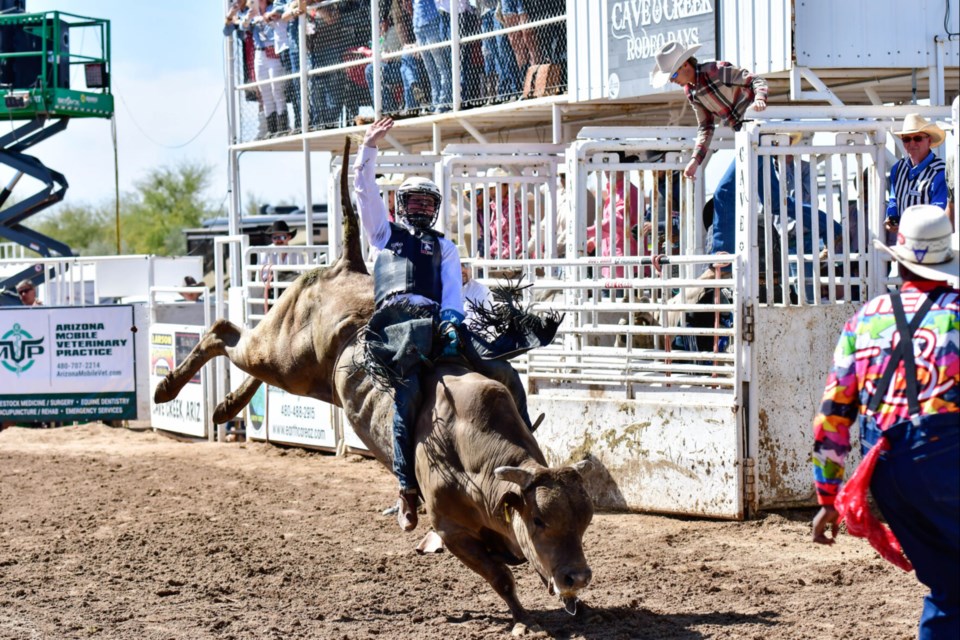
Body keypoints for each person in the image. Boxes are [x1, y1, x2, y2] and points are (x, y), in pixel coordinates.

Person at [811, 204, 958, 639]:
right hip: (946, 461)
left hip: (887, 471)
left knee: (949, 585)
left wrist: (827, 496)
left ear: (898, 258)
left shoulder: (866, 318)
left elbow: (834, 413)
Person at [354, 116, 464, 532]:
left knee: (494, 367)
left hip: (435, 321)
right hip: (396, 326)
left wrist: (453, 322)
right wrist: (369, 148)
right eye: (413, 203)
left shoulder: (445, 246)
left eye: (426, 204)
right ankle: (406, 489)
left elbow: (452, 291)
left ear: (435, 210)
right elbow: (365, 193)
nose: (419, 210)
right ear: (401, 208)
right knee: (408, 396)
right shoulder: (384, 235)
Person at [651, 41, 767, 273]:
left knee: (724, 191)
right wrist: (695, 160)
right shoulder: (691, 92)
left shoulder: (714, 70)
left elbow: (755, 80)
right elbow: (705, 126)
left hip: (757, 135)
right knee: (776, 200)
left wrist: (760, 99)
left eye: (673, 74)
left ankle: (720, 259)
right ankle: (832, 231)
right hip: (748, 137)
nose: (672, 80)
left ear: (685, 65)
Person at [885, 114, 948, 233]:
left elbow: (939, 213)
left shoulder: (940, 173)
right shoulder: (897, 169)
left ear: (929, 140)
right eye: (907, 139)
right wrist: (892, 217)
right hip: (905, 243)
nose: (912, 143)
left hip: (930, 245)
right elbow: (893, 200)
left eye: (917, 138)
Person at [457, 244, 493, 325]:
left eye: (465, 264)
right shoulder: (442, 291)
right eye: (456, 265)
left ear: (470, 267)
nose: (462, 269)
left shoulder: (482, 292)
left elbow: (483, 327)